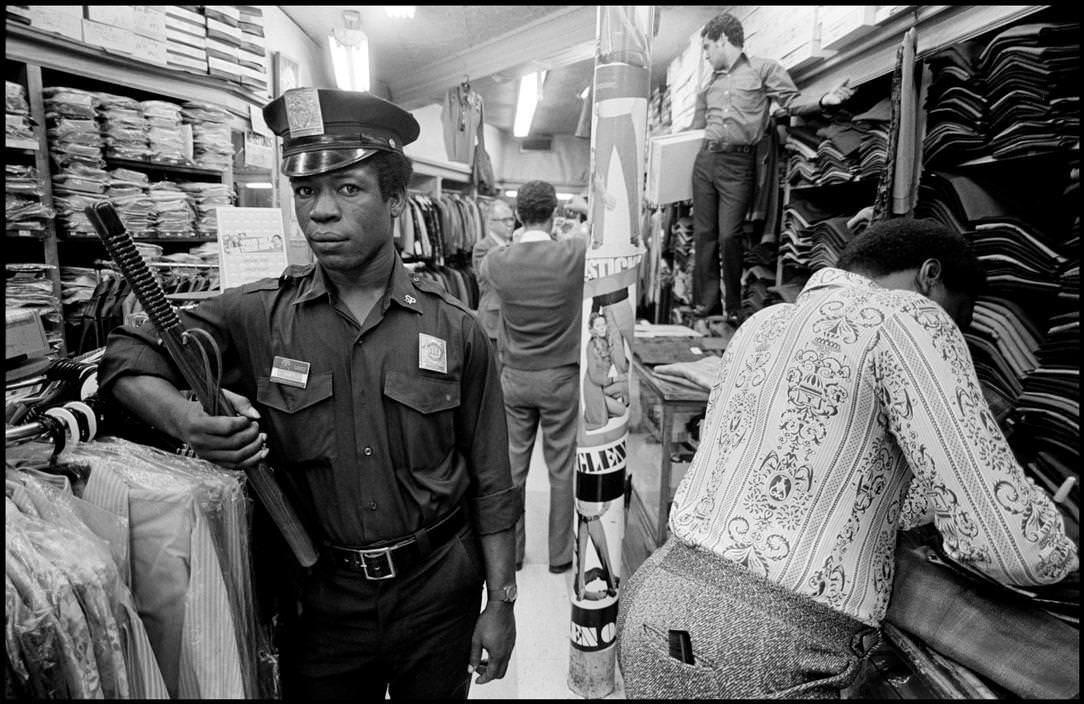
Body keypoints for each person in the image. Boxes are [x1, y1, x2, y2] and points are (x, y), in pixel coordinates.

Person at [96, 88, 521, 701]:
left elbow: (492, 482)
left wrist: (500, 602)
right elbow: (126, 356)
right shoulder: (256, 317)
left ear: (396, 199)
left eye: (348, 189)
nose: (321, 212)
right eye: (305, 192)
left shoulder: (455, 328)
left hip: (436, 594)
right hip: (319, 602)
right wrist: (185, 420)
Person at [616, 218, 1079, 699]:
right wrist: (1059, 544)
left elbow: (839, 478)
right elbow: (1008, 545)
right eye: (959, 316)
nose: (957, 335)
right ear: (930, 276)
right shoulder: (908, 317)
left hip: (658, 595)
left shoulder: (765, 322)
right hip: (760, 642)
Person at [689, 11, 856, 326]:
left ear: (724, 40)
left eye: (708, 48)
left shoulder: (763, 69)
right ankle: (706, 305)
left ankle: (733, 306)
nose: (707, 56)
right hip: (705, 159)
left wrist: (824, 100)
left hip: (738, 163)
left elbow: (790, 101)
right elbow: (693, 129)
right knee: (703, 235)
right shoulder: (710, 83)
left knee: (729, 236)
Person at [480, 180, 587, 574]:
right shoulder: (573, 254)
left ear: (519, 216)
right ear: (554, 213)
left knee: (511, 470)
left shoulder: (498, 261)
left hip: (516, 378)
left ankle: (513, 554)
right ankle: (560, 558)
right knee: (561, 469)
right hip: (560, 377)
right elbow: (591, 234)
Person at [472, 199, 516, 350]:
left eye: (511, 218)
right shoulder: (482, 248)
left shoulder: (515, 246)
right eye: (505, 220)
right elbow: (493, 276)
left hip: (513, 320)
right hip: (493, 320)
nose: (510, 223)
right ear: (490, 223)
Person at [582, 307, 629, 431]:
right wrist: (614, 379)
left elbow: (619, 359)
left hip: (602, 387)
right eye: (598, 326)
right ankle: (594, 408)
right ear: (592, 329)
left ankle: (598, 407)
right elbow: (594, 376)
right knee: (622, 410)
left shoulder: (606, 341)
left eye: (603, 324)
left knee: (625, 386)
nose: (602, 328)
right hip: (593, 387)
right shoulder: (591, 346)